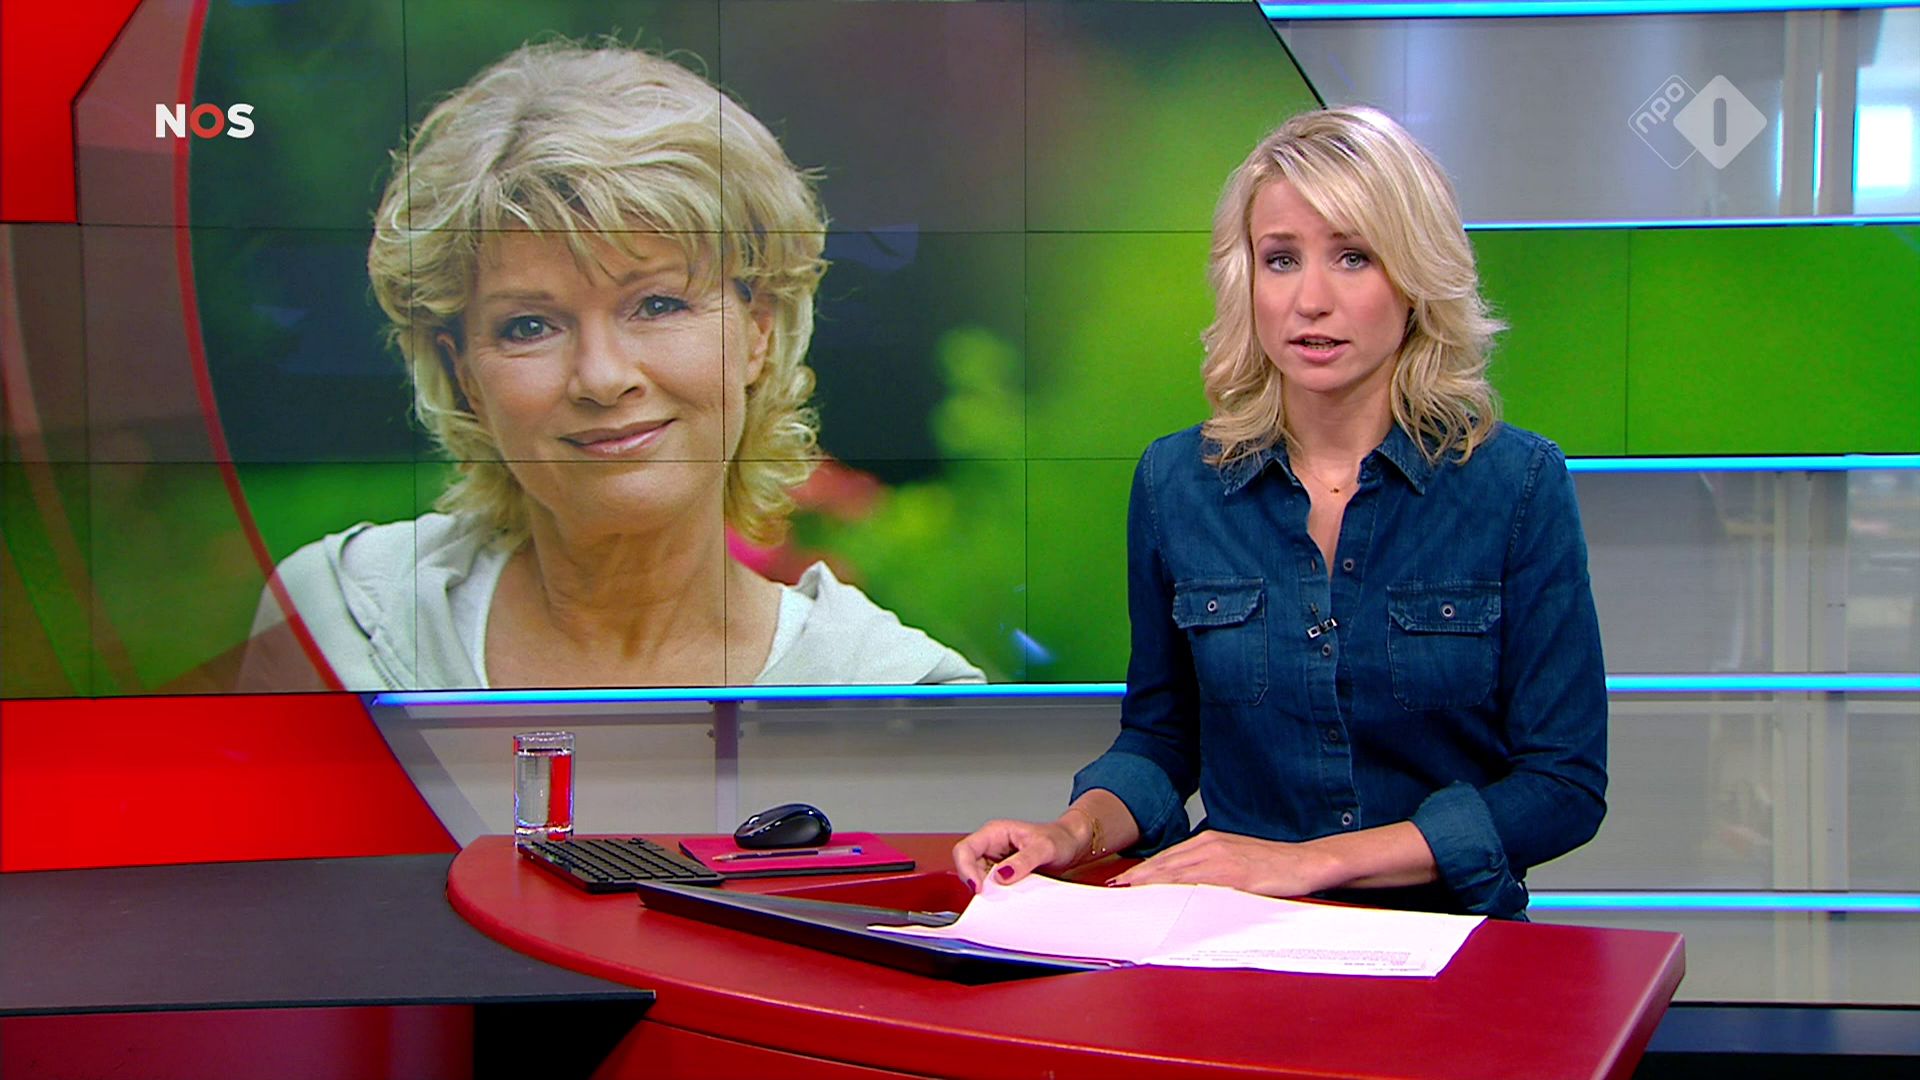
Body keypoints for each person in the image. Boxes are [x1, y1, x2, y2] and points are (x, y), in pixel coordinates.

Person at [953, 107, 1606, 918]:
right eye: (1282, 259)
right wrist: (1068, 833)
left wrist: (1308, 864)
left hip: (1444, 943)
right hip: (1234, 933)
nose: (1311, 300)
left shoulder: (1515, 483)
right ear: (1247, 280)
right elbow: (1161, 740)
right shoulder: (1176, 482)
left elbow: (1562, 784)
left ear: (1415, 280)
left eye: (1354, 257)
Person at [244, 41, 982, 690]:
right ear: (462, 370)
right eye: (529, 326)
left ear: (758, 329)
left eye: (657, 304)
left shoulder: (895, 695)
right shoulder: (340, 625)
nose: (601, 377)